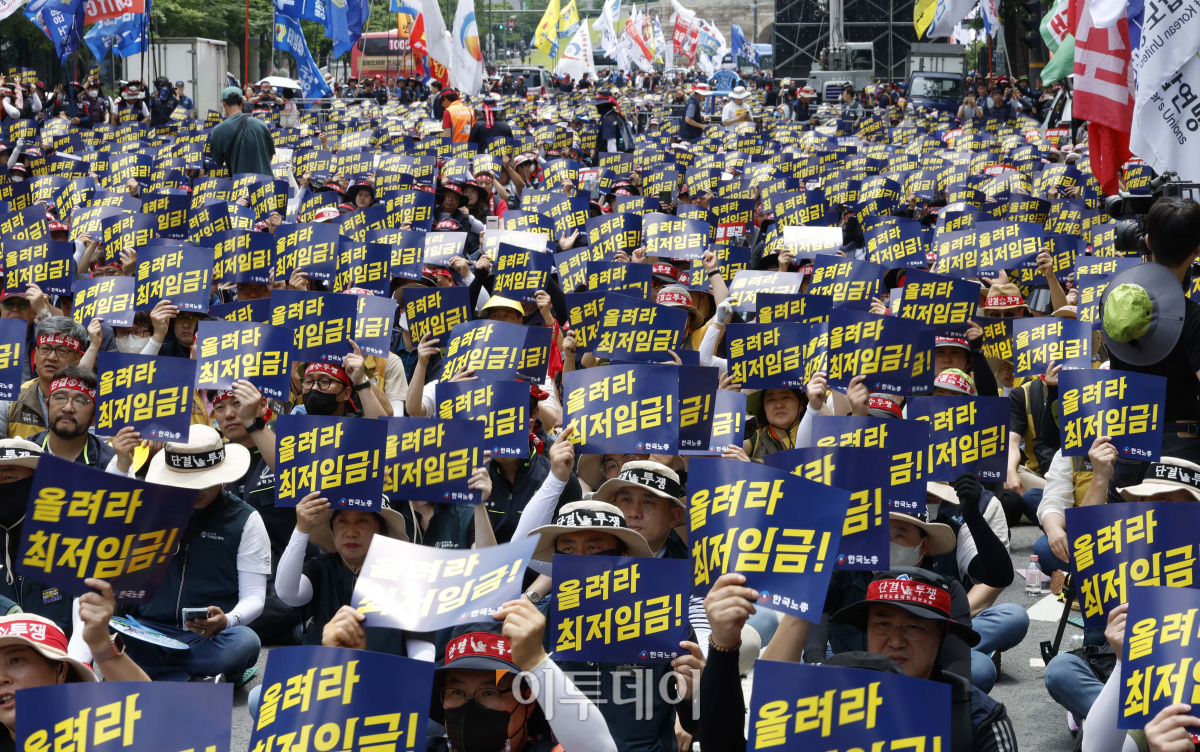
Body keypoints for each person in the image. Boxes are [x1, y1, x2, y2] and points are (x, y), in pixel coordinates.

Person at [700, 567, 1018, 751]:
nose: (896, 639)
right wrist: (723, 646)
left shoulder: (974, 717)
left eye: (914, 627)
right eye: (883, 623)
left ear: (942, 636)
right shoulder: (815, 698)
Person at [103, 425, 272, 682]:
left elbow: (255, 597)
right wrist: (122, 462)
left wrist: (227, 620)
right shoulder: (148, 506)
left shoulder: (246, 519)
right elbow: (107, 513)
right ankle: (193, 679)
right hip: (144, 628)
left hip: (208, 636)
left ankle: (153, 675)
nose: (195, 490)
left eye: (203, 480)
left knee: (246, 642)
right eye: (185, 481)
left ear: (222, 475)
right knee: (103, 627)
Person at [0, 317, 92, 439]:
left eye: (62, 351)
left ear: (77, 359)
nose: (51, 357)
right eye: (45, 349)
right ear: (35, 355)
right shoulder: (11, 398)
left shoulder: (91, 402)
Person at [27, 366, 114, 469]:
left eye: (80, 401)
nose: (68, 408)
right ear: (47, 406)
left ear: (94, 417)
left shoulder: (112, 463)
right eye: (60, 398)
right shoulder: (23, 452)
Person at [209, 86, 276, 177]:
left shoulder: (217, 131)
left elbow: (219, 162)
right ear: (243, 102)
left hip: (240, 186)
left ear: (223, 103)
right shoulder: (262, 125)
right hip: (265, 186)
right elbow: (270, 156)